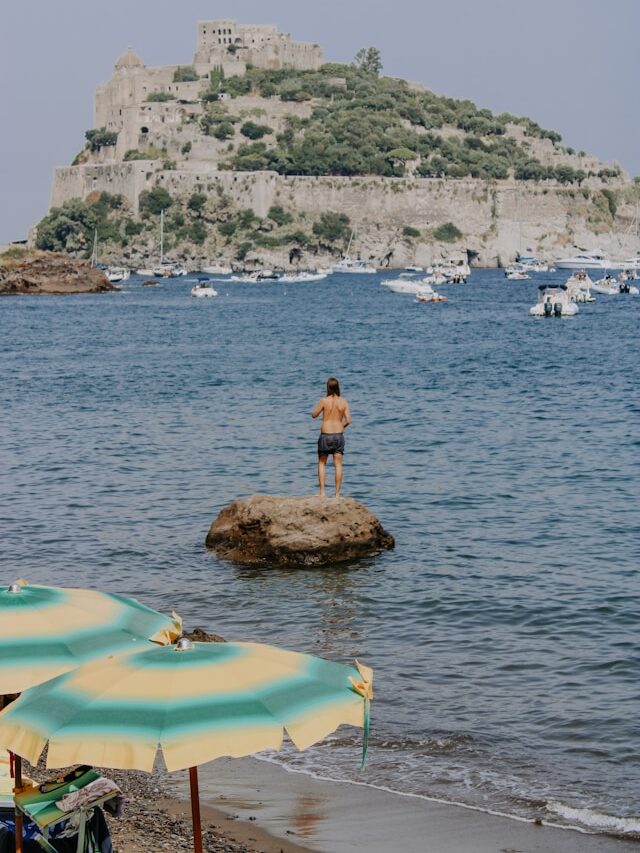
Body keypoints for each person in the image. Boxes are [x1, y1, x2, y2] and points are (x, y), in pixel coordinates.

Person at [311, 377, 351, 497]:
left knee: (322, 463)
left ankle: (322, 492)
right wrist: (341, 427)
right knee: (338, 465)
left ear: (327, 388)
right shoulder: (344, 402)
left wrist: (315, 412)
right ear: (338, 387)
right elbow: (348, 420)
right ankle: (337, 494)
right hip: (338, 435)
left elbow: (314, 415)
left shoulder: (323, 400)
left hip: (325, 435)